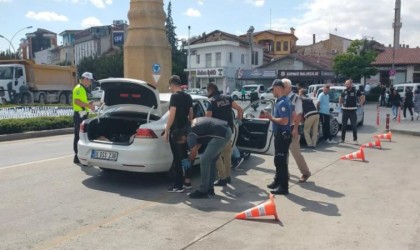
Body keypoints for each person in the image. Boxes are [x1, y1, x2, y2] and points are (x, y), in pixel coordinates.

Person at [171, 117, 232, 199]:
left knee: (204, 160)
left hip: (220, 134)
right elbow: (198, 146)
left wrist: (188, 160)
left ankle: (203, 191)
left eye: (181, 142)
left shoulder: (190, 136)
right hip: (225, 130)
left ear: (182, 138)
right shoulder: (190, 127)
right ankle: (210, 189)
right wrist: (192, 156)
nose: (182, 143)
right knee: (212, 160)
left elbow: (194, 152)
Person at [206, 83, 243, 186]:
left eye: (207, 91)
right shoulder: (228, 98)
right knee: (227, 154)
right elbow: (240, 109)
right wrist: (239, 120)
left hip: (217, 132)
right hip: (228, 131)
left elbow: (207, 118)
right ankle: (228, 177)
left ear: (210, 90)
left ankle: (222, 178)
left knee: (215, 155)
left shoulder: (211, 101)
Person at [163, 75, 194, 193]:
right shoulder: (188, 96)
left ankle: (178, 185)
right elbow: (191, 114)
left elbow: (172, 114)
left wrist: (167, 130)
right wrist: (188, 127)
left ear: (172, 84)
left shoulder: (174, 97)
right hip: (185, 131)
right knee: (184, 157)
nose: (169, 88)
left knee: (177, 158)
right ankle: (187, 181)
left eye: (169, 86)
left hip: (176, 132)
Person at [261, 79, 292, 195]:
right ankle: (278, 181)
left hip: (282, 136)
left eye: (273, 89)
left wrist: (270, 117)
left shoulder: (282, 103)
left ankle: (284, 187)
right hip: (282, 135)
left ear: (278, 88)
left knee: (281, 161)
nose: (272, 91)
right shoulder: (283, 101)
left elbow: (284, 121)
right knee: (278, 161)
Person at [284, 80, 312, 183]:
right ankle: (285, 174)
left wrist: (295, 128)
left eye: (284, 86)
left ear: (289, 87)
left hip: (292, 128)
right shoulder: (282, 98)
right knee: (284, 153)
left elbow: (299, 114)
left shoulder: (296, 98)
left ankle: (305, 173)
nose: (282, 88)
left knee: (296, 153)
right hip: (284, 128)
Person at [72, 72, 95, 164]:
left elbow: (82, 101)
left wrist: (89, 104)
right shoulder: (79, 88)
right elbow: (77, 101)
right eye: (90, 81)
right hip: (79, 115)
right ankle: (79, 157)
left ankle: (77, 157)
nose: (90, 83)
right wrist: (88, 106)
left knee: (78, 136)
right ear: (85, 79)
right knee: (81, 136)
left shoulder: (83, 89)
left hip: (82, 114)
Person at [339, 79, 365, 144]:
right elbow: (341, 97)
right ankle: (342, 139)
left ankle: (355, 139)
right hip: (345, 111)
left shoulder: (356, 91)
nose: (346, 85)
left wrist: (361, 103)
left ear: (351, 84)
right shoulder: (344, 91)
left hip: (352, 111)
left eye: (347, 84)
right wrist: (340, 103)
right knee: (343, 126)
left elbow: (362, 97)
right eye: (345, 84)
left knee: (354, 126)